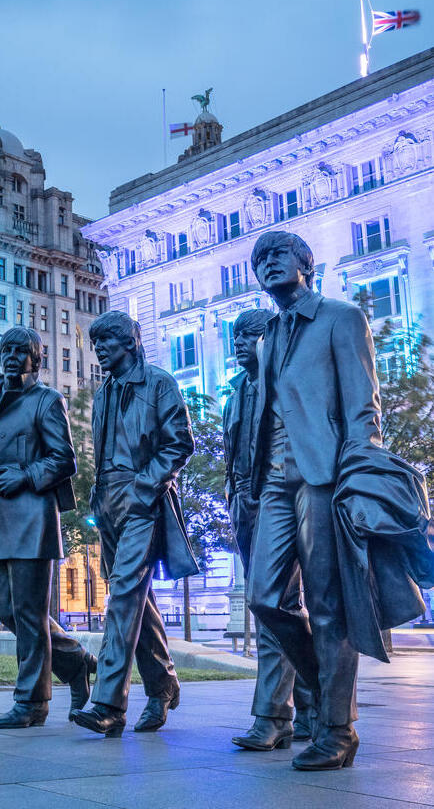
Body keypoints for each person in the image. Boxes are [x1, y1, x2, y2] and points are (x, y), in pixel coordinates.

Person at [246, 231, 381, 770]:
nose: (268, 264)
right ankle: (326, 691)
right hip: (275, 479)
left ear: (306, 263)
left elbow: (363, 402)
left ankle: (336, 727)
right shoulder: (267, 336)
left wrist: (358, 468)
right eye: (260, 259)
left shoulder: (339, 317)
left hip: (324, 473)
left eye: (279, 254)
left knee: (327, 605)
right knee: (264, 598)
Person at [72, 311, 197, 737]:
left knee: (124, 595)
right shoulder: (103, 393)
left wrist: (144, 486)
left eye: (107, 340)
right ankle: (162, 685)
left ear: (129, 341)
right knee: (135, 599)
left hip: (143, 499)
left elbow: (179, 442)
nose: (100, 348)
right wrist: (99, 496)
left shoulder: (158, 383)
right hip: (107, 501)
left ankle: (108, 704)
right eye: (96, 342)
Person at [0, 326, 96, 729]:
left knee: (28, 613)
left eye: (20, 350)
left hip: (30, 519)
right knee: (9, 611)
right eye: (5, 348)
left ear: (36, 359)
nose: (11, 356)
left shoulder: (47, 401)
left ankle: (31, 703)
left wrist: (23, 475)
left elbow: (64, 460)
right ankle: (76, 663)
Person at [223, 308, 313, 751]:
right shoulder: (236, 392)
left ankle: (273, 715)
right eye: (235, 337)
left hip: (284, 499)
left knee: (269, 601)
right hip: (245, 505)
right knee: (278, 605)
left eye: (250, 335)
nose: (239, 343)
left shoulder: (287, 385)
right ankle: (313, 702)